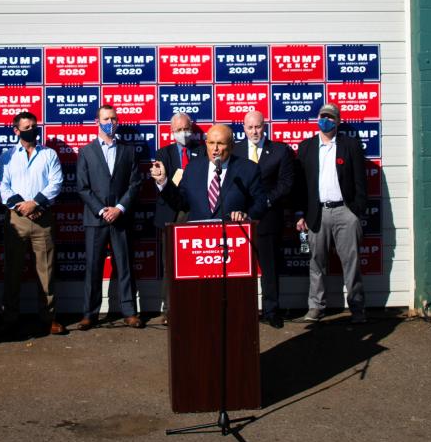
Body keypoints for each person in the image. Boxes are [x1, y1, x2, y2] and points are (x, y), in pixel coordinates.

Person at [295, 104, 368, 324]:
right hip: (317, 212)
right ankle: (316, 307)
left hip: (345, 211)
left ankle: (357, 308)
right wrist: (301, 214)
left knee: (351, 263)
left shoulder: (350, 145)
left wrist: (356, 212)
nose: (325, 120)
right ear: (317, 118)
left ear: (337, 121)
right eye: (322, 116)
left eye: (330, 117)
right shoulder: (306, 147)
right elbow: (300, 185)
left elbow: (360, 182)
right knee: (316, 262)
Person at [0, 111, 64, 336]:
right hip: (17, 220)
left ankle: (49, 318)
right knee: (13, 271)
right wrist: (22, 206)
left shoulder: (49, 154)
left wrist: (36, 204)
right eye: (26, 127)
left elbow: (56, 182)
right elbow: (2, 186)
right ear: (16, 131)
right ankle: (10, 317)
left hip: (43, 218)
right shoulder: (7, 156)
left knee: (46, 271)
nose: (32, 129)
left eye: (34, 125)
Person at [75, 105, 144, 331]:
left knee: (124, 265)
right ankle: (89, 313)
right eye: (106, 119)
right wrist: (103, 210)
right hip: (96, 219)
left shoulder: (129, 150)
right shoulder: (86, 151)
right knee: (93, 267)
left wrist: (119, 208)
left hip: (121, 217)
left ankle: (129, 312)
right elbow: (83, 188)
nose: (110, 122)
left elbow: (135, 184)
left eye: (114, 119)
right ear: (97, 121)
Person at [233, 111, 295, 329]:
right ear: (244, 128)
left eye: (258, 127)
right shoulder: (236, 149)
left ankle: (271, 310)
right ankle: (242, 310)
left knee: (270, 268)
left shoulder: (280, 150)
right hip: (238, 219)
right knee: (238, 269)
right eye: (250, 127)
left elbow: (286, 183)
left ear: (264, 126)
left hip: (268, 218)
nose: (254, 131)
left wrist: (264, 203)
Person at [151, 124, 266, 223]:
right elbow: (181, 203)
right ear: (206, 144)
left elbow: (260, 203)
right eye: (211, 143)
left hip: (234, 238)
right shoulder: (192, 168)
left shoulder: (248, 169)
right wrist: (163, 181)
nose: (215, 148)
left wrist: (246, 216)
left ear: (231, 146)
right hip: (200, 240)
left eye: (220, 143)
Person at [153, 112, 204, 324]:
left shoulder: (201, 152)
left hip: (193, 213)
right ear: (171, 131)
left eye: (186, 129)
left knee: (195, 263)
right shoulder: (162, 154)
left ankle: (195, 306)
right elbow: (161, 185)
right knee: (170, 265)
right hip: (171, 214)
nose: (183, 133)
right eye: (179, 130)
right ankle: (169, 309)